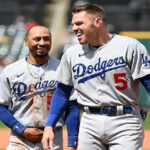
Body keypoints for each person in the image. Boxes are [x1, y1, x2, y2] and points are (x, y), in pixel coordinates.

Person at [42, 4, 150, 150]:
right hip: (89, 121)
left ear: (98, 22)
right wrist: (49, 125)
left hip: (125, 120)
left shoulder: (130, 46)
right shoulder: (71, 54)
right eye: (73, 24)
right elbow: (62, 92)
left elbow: (148, 83)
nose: (74, 28)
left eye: (79, 23)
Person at [0, 25, 79, 150]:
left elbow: (72, 107)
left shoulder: (63, 69)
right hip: (20, 138)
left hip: (53, 137)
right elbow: (1, 106)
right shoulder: (11, 71)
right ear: (26, 41)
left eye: (46, 39)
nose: (42, 43)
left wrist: (72, 143)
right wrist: (22, 130)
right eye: (37, 39)